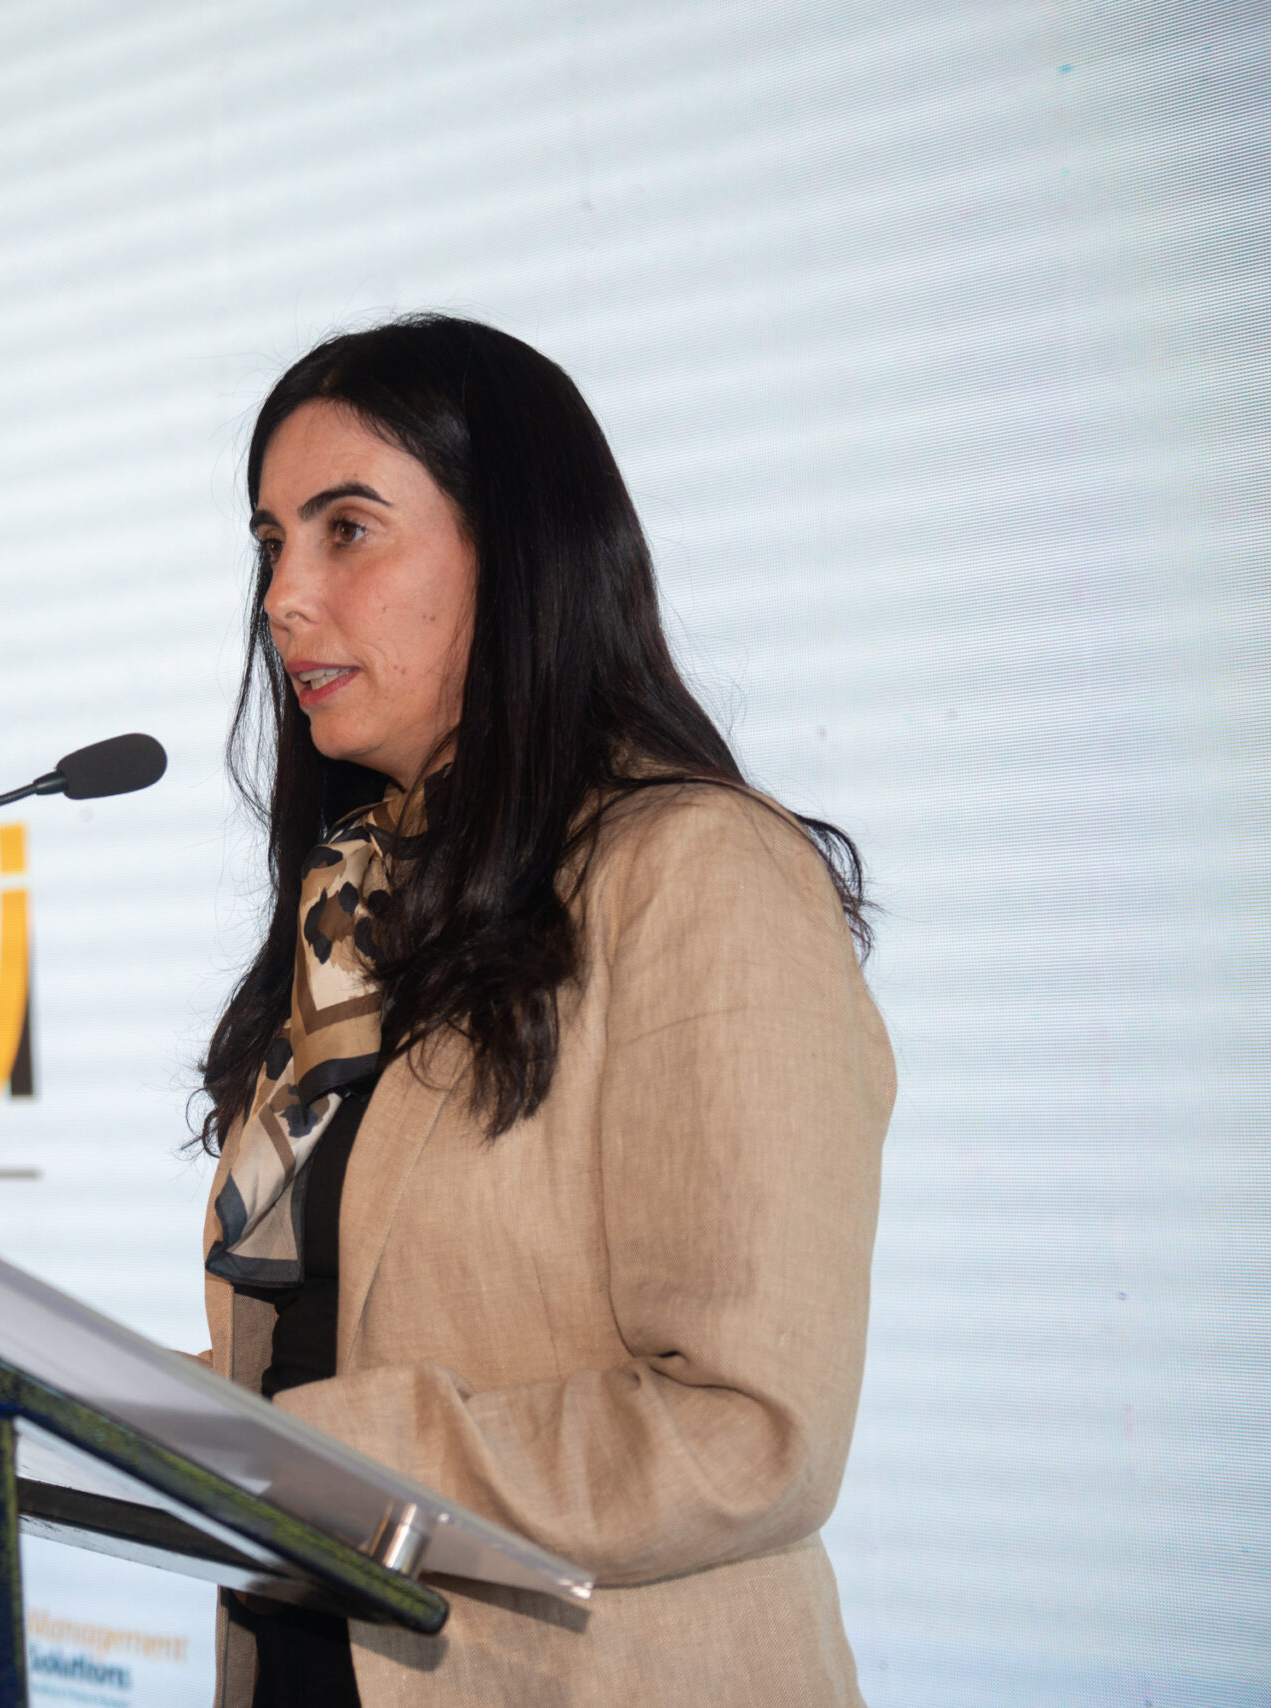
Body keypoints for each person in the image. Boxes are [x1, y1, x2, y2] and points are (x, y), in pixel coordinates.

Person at [198, 315, 893, 1707]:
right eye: (272, 543)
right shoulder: (354, 912)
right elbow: (315, 1349)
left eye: (347, 531)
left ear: (514, 553)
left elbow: (753, 1430)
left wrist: (322, 1461)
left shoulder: (699, 873)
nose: (284, 597)